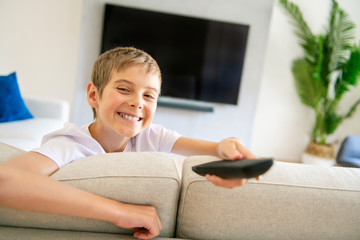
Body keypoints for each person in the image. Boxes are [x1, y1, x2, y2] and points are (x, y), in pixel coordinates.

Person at [0, 47, 259, 239]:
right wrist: (119, 211)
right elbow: (5, 180)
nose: (138, 102)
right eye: (124, 89)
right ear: (93, 94)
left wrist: (228, 150)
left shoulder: (152, 136)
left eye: (149, 95)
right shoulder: (71, 143)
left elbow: (214, 150)